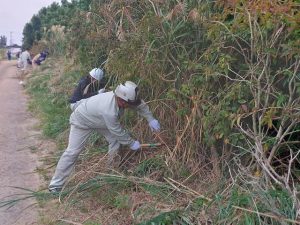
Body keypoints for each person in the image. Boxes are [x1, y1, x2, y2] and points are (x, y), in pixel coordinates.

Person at [48, 81, 161, 193]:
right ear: (121, 100)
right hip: (81, 120)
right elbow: (117, 130)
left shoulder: (124, 99)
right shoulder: (109, 111)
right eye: (128, 104)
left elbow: (139, 104)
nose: (130, 106)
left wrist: (151, 119)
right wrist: (131, 143)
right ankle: (55, 185)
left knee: (115, 141)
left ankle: (111, 171)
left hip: (99, 120)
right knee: (73, 152)